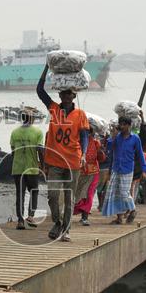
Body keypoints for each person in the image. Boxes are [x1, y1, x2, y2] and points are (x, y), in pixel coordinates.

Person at [36, 66, 89, 242]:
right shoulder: (54, 110)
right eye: (63, 93)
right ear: (60, 95)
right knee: (52, 195)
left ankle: (66, 229)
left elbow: (84, 137)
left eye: (69, 94)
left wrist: (83, 154)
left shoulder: (80, 114)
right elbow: (39, 91)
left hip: (73, 161)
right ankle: (57, 222)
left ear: (74, 96)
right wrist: (46, 68)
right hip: (55, 161)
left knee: (69, 197)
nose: (66, 96)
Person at [102, 116, 146, 224]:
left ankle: (133, 210)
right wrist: (112, 136)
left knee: (124, 193)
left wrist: (145, 169)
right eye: (120, 124)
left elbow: (140, 155)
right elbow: (108, 149)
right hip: (116, 168)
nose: (121, 126)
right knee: (115, 193)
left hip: (127, 169)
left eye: (124, 124)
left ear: (129, 125)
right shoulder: (116, 137)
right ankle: (119, 218)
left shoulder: (135, 138)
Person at [9, 106, 43, 229]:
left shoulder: (14, 132)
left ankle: (20, 220)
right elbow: (40, 150)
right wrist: (43, 166)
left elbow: (13, 151)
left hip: (17, 168)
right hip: (32, 168)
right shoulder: (38, 132)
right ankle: (31, 216)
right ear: (32, 119)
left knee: (20, 194)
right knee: (34, 191)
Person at [73, 130, 105, 225]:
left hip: (93, 172)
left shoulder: (96, 143)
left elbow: (101, 158)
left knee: (89, 194)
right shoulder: (76, 142)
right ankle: (79, 213)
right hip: (80, 172)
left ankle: (85, 217)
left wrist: (100, 151)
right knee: (80, 193)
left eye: (88, 132)